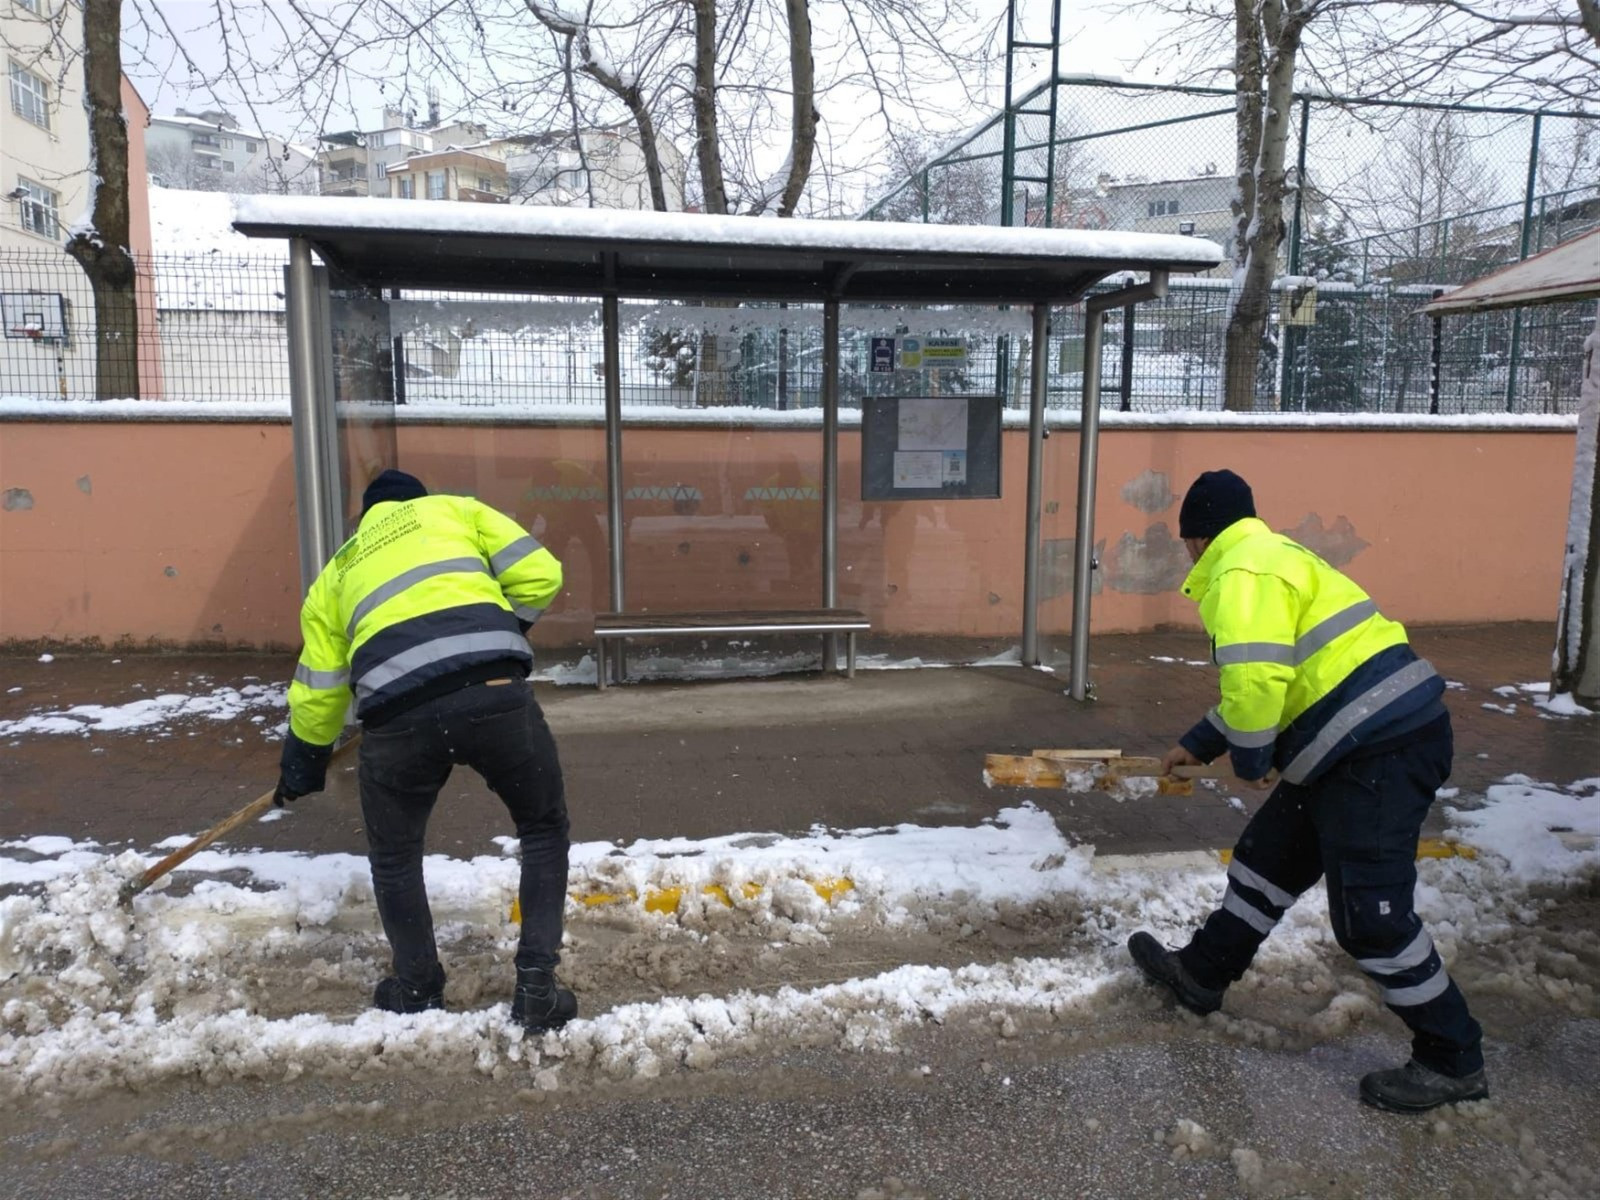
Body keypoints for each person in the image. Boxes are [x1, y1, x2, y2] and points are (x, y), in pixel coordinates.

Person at [1128, 469, 1487, 1114]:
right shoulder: (1274, 556)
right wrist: (1199, 743)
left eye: (1186, 542)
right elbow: (1289, 678)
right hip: (1352, 744)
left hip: (1380, 750)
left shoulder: (1239, 574)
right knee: (1265, 863)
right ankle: (1203, 973)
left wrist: (1250, 757)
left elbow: (1258, 682)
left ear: (1194, 540)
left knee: (1371, 922)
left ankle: (1451, 1058)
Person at [274, 468, 576, 1031]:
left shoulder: (337, 571)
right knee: (541, 829)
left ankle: (416, 986)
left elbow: (319, 687)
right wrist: (495, 634)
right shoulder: (456, 511)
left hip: (395, 718)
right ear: (419, 500)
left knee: (394, 857)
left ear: (367, 518)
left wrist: (304, 757)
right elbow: (541, 574)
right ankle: (537, 986)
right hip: (494, 694)